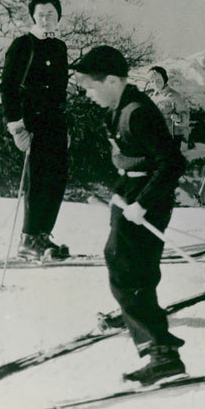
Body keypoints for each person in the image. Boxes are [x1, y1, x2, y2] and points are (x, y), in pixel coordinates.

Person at [73, 45, 187, 386]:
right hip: (130, 192)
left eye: (90, 87)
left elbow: (172, 163)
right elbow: (128, 158)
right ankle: (142, 323)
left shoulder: (137, 112)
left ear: (110, 81)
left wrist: (144, 203)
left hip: (147, 196)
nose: (89, 95)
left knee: (126, 265)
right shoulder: (117, 107)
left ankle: (161, 352)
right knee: (128, 264)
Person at [0, 0, 70, 260]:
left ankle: (43, 235)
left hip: (55, 124)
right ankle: (28, 238)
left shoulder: (60, 47)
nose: (45, 19)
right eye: (40, 15)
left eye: (50, 14)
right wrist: (17, 127)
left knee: (57, 179)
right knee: (38, 180)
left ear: (58, 16)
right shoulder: (22, 45)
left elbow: (60, 92)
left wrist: (65, 128)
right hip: (32, 125)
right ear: (33, 17)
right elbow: (8, 88)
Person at [146, 66, 191, 147]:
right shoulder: (152, 97)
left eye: (158, 81)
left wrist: (179, 118)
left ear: (165, 79)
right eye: (152, 81)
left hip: (171, 136)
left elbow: (185, 115)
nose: (155, 84)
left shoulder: (174, 96)